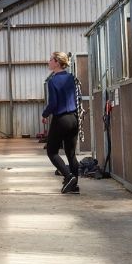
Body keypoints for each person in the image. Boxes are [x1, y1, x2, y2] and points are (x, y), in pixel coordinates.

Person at [42, 52, 81, 195]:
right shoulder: (72, 78)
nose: (49, 61)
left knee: (52, 151)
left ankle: (68, 176)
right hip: (73, 119)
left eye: (51, 59)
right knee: (71, 154)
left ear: (57, 62)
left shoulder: (53, 81)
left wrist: (45, 114)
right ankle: (74, 186)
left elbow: (53, 104)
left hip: (61, 119)